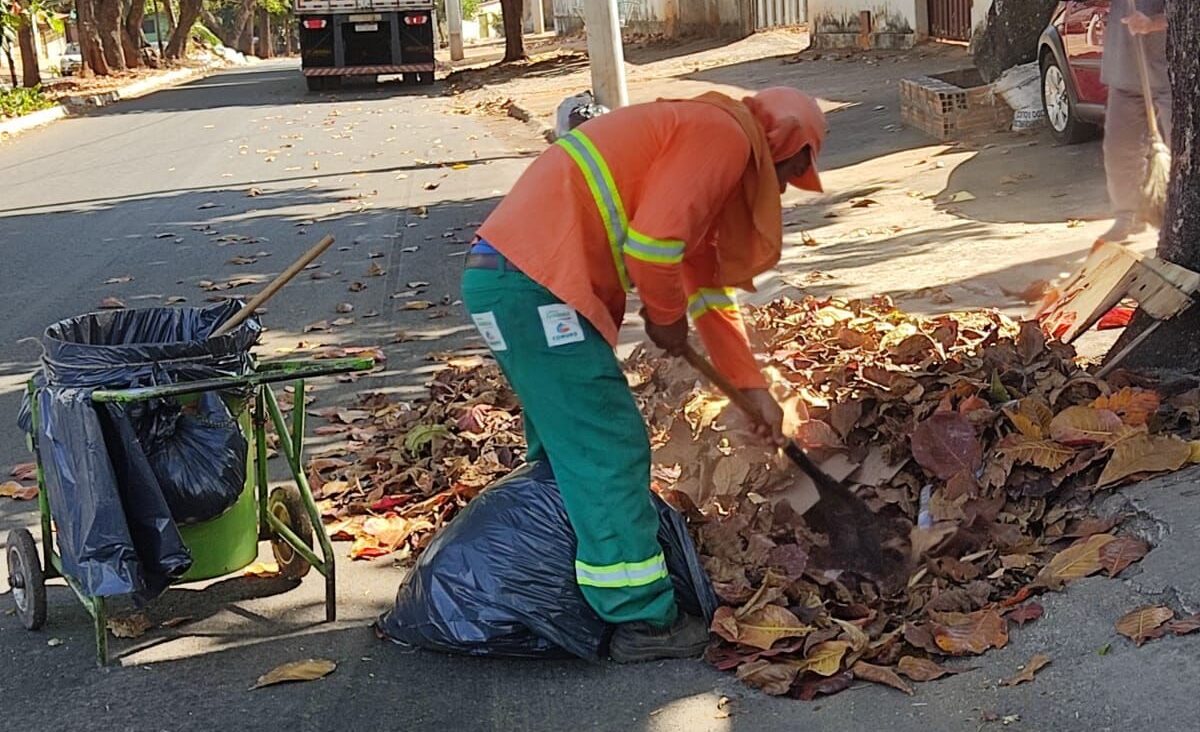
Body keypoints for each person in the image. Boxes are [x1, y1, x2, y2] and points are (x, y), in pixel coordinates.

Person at [460, 87, 827, 663]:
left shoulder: (703, 140)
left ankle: (558, 570)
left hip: (509, 279)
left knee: (568, 448)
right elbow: (654, 248)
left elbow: (705, 289)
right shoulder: (725, 138)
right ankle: (642, 618)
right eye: (786, 176)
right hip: (534, 284)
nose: (778, 192)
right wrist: (664, 318)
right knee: (607, 444)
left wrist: (750, 387)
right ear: (780, 148)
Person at [1095, 0, 1170, 245]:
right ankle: (1128, 215)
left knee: (1182, 150)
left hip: (1173, 71)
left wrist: (1153, 23)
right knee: (1119, 148)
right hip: (1126, 69)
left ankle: (1176, 217)